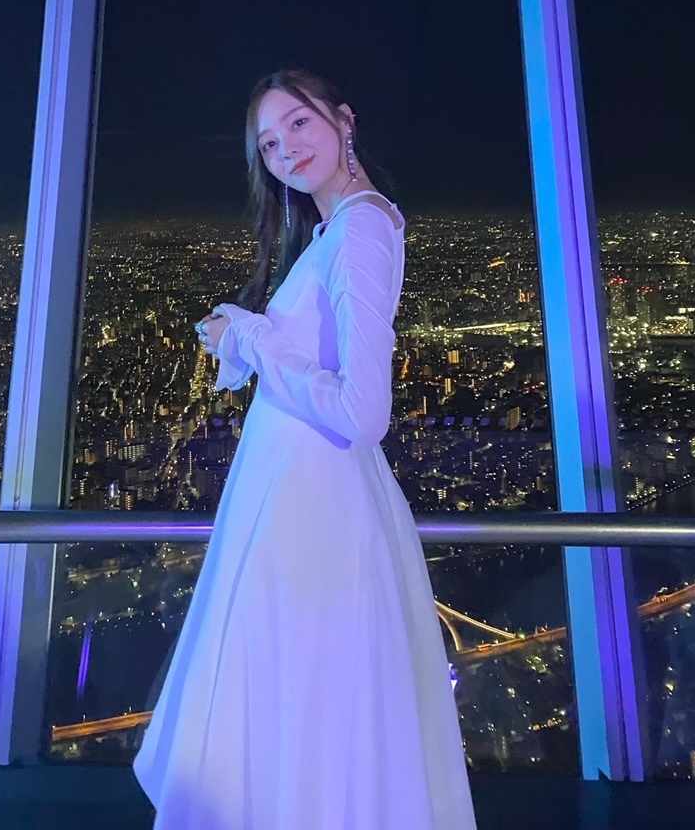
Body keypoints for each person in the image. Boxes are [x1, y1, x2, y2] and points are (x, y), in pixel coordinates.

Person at [133, 68, 477, 830]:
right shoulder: (338, 230)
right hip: (298, 498)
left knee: (298, 697)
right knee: (307, 706)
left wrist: (253, 336)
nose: (284, 148)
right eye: (267, 143)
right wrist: (245, 339)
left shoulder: (360, 229)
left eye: (297, 123)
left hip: (311, 507)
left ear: (343, 120)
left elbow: (362, 410)